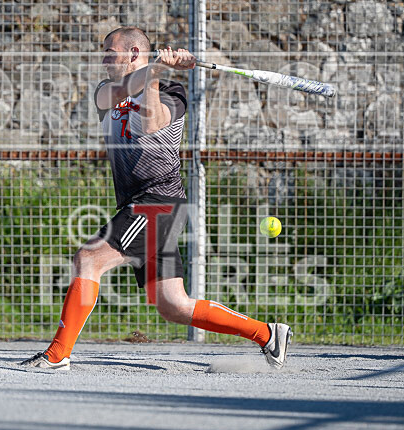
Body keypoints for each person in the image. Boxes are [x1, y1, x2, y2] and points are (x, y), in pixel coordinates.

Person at [21, 27, 292, 370]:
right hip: (144, 203)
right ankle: (268, 334)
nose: (103, 59)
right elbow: (119, 92)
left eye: (110, 52)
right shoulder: (107, 91)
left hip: (157, 202)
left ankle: (56, 355)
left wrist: (158, 74)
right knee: (173, 305)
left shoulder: (172, 93)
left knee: (88, 258)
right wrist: (155, 69)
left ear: (134, 53)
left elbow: (150, 124)